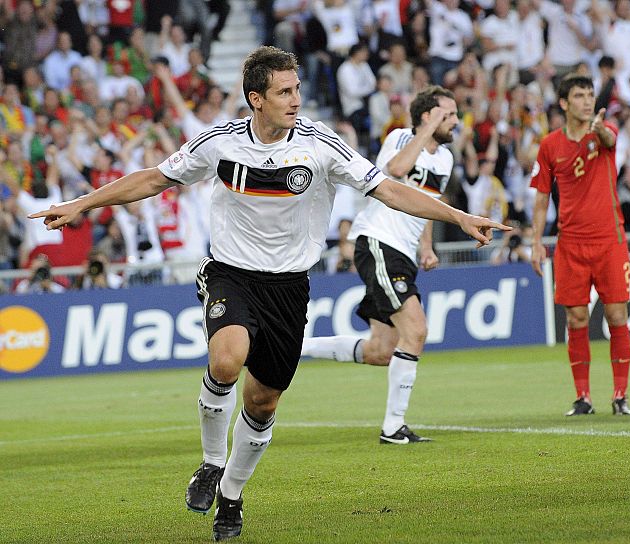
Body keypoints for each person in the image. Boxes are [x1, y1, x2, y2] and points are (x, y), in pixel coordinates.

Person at [28, 46, 508, 541]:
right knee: (227, 361)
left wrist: (456, 216)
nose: (296, 99)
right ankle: (213, 463)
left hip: (289, 286)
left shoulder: (323, 145)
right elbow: (153, 178)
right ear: (256, 99)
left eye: (297, 89)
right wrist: (81, 203)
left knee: (262, 402)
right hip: (230, 272)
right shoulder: (219, 141)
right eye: (284, 92)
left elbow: (388, 188)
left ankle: (231, 498)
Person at [301, 85, 458, 444]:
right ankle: (393, 427)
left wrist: (427, 245)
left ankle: (297, 348)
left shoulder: (445, 159)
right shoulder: (402, 137)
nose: (455, 121)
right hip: (378, 241)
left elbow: (426, 203)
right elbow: (395, 169)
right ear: (427, 116)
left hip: (404, 250)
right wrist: (423, 132)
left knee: (382, 351)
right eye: (446, 114)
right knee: (416, 330)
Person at [529, 75, 630, 417]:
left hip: (609, 239)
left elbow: (607, 137)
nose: (587, 101)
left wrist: (599, 127)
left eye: (590, 95)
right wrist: (535, 243)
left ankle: (620, 395)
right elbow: (542, 198)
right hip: (570, 243)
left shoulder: (604, 134)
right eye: (579, 95)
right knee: (576, 319)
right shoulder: (550, 146)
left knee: (617, 315)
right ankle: (583, 397)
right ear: (564, 103)